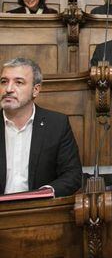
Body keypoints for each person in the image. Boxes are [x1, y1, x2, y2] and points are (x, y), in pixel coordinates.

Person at [0, 58, 82, 197]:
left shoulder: (57, 124)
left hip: (39, 211)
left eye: (18, 82)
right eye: (4, 82)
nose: (8, 89)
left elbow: (72, 175)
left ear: (35, 90)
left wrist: (44, 193)